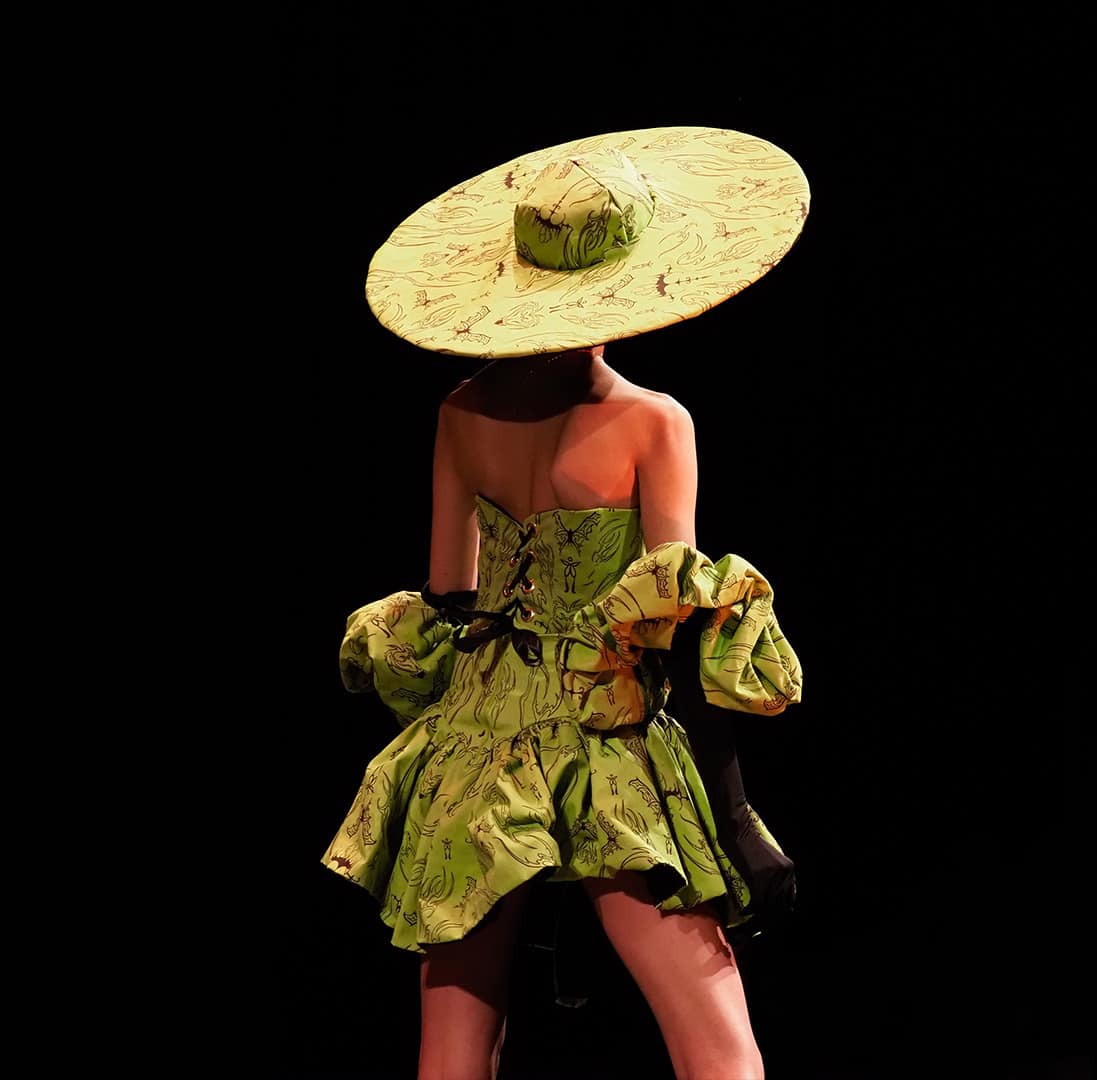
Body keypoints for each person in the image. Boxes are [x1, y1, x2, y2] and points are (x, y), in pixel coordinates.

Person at [321, 127, 810, 1080]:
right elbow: (674, 621)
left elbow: (448, 599)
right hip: (606, 738)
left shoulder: (462, 412)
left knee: (454, 1054)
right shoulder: (652, 423)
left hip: (476, 738)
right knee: (719, 1047)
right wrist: (738, 818)